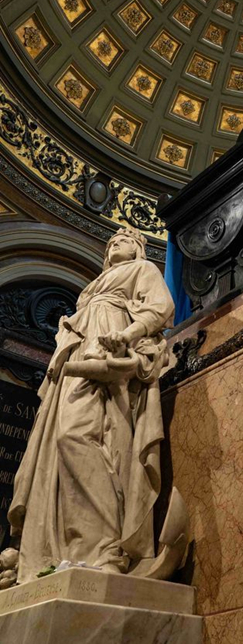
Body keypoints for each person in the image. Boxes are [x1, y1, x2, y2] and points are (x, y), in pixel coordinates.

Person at [8, 227, 175, 583]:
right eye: (111, 241)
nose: (115, 243)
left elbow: (160, 309)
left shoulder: (143, 270)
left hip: (109, 357)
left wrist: (126, 335)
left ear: (138, 249)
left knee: (84, 438)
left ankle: (106, 546)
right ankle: (70, 550)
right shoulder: (94, 286)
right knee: (59, 448)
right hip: (77, 359)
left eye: (124, 240)